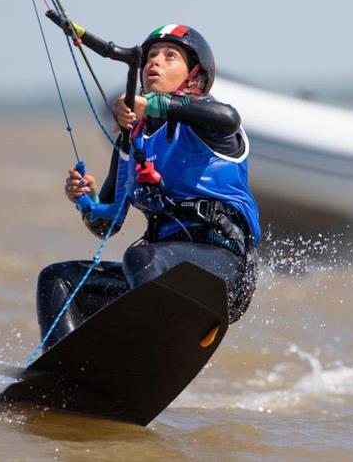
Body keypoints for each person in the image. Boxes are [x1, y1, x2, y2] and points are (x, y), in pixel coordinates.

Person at [36, 24, 260, 351]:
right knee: (57, 279)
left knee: (140, 257)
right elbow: (107, 224)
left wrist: (154, 105)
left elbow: (228, 117)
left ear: (194, 74)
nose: (154, 62)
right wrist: (86, 201)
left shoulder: (212, 126)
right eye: (151, 56)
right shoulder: (131, 140)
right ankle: (61, 367)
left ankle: (150, 352)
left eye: (170, 57)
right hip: (158, 271)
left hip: (224, 269)